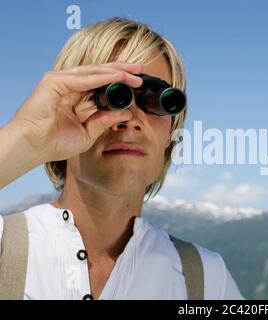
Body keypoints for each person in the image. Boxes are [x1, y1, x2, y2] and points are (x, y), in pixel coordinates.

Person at [0, 16, 244, 300]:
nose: (131, 119)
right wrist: (28, 135)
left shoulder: (205, 279)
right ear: (62, 107)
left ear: (170, 133)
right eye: (111, 95)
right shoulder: (5, 246)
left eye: (155, 100)